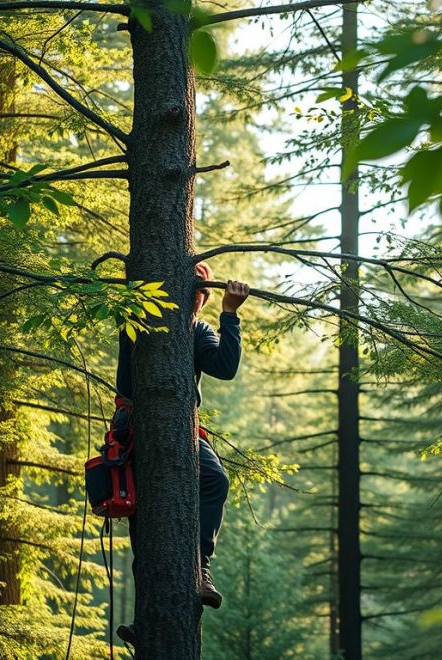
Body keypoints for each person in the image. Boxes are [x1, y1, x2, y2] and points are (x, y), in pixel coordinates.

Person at [115, 262, 249, 647]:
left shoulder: (197, 331)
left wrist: (229, 316)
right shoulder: (139, 318)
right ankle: (148, 620)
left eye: (197, 297)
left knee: (214, 479)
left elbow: (224, 367)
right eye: (192, 294)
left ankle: (200, 569)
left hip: (181, 428)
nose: (192, 302)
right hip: (135, 425)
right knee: (143, 517)